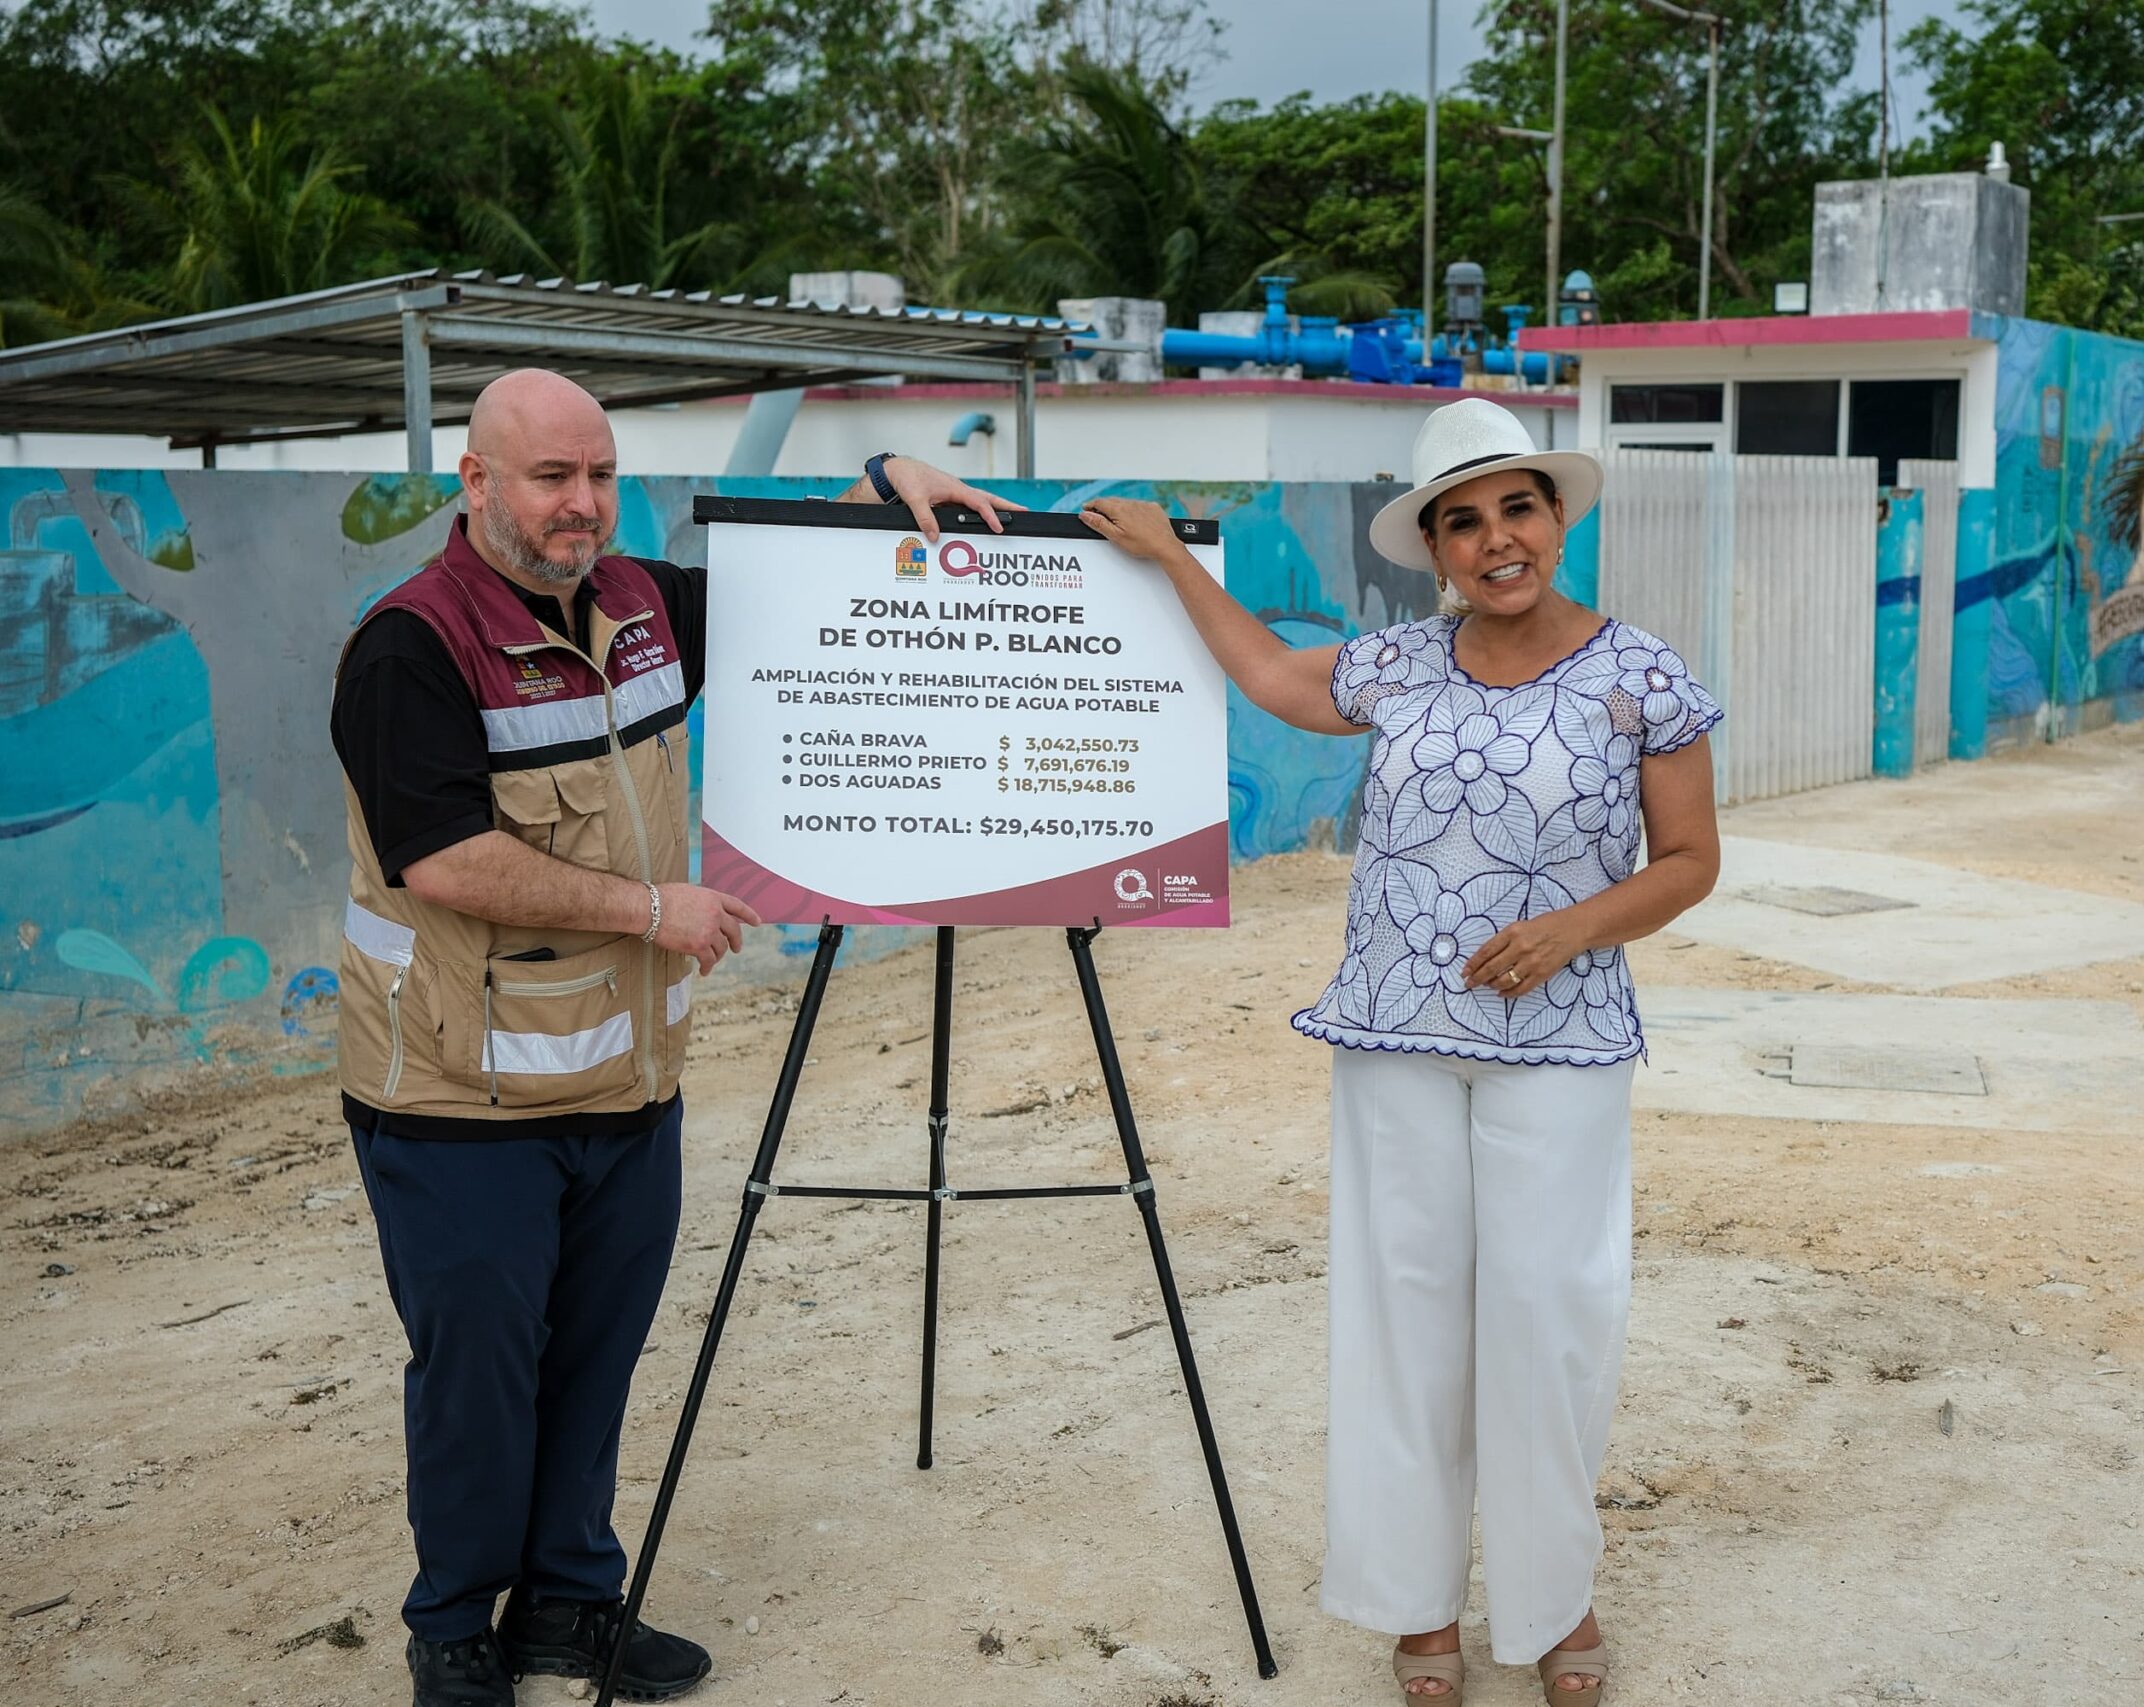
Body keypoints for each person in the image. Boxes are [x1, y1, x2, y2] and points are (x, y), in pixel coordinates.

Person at [331, 368, 1014, 1707]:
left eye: (599, 476)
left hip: (629, 1080)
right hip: (460, 1095)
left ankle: (571, 1605)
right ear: (476, 483)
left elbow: (787, 584)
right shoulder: (412, 644)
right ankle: (457, 1628)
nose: (582, 505)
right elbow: (445, 860)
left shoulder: (639, 603)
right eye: (550, 478)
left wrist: (880, 487)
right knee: (479, 1373)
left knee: (595, 1357)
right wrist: (653, 910)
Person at [1084, 397, 1723, 1707]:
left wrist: (1570, 931)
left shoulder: (1641, 675)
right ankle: (1417, 1607)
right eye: (1463, 520)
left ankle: (1553, 1603)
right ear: (1433, 550)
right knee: (1404, 1321)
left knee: (1551, 1321)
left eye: (1517, 508)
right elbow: (1268, 676)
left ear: (1557, 518)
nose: (1497, 540)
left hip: (1563, 1043)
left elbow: (1692, 862)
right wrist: (1170, 558)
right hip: (1391, 1036)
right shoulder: (1398, 666)